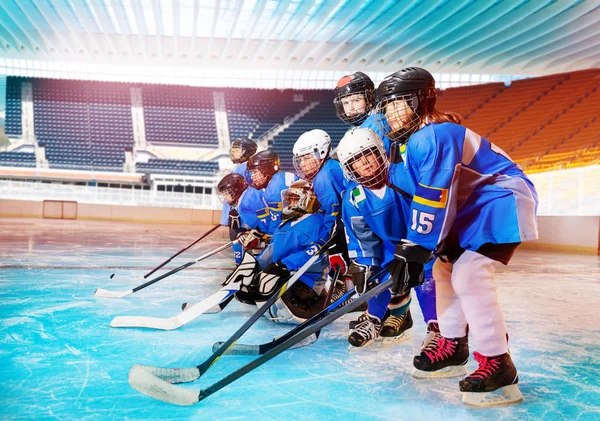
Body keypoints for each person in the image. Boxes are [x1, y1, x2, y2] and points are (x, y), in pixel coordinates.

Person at [375, 67, 538, 407]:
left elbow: (434, 196)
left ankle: (498, 361)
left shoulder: (432, 136)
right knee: (444, 270)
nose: (391, 112)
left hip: (501, 198)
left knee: (469, 273)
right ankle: (452, 345)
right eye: (386, 106)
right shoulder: (415, 145)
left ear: (422, 100)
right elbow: (428, 194)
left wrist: (417, 246)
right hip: (478, 203)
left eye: (398, 102)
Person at [336, 128, 438, 350]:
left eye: (368, 154)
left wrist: (422, 244)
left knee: (427, 273)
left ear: (380, 152)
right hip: (391, 246)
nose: (365, 163)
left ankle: (437, 326)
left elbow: (431, 207)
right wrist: (364, 265)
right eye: (356, 160)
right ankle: (374, 318)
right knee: (376, 272)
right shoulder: (354, 197)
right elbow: (363, 238)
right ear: (349, 168)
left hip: (423, 240)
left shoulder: (404, 175)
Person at [230, 180, 331, 324]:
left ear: (307, 200)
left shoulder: (317, 222)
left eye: (294, 199)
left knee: (268, 284)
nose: (289, 204)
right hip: (285, 275)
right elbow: (273, 249)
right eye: (289, 200)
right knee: (251, 284)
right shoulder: (287, 222)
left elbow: (316, 253)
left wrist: (284, 265)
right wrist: (253, 266)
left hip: (306, 282)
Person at [217, 173, 269, 266]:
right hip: (263, 231)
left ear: (235, 190)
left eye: (226, 193)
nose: (225, 197)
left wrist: (257, 232)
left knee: (263, 260)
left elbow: (267, 217)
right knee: (257, 256)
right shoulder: (242, 199)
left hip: (270, 233)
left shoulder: (250, 196)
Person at [245, 150, 298, 235]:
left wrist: (269, 240)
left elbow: (277, 223)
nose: (252, 176)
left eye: (255, 172)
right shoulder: (277, 180)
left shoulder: (274, 190)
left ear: (266, 170)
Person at [220, 138, 258, 226]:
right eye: (233, 150)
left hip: (239, 213)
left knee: (237, 237)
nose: (234, 153)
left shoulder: (244, 168)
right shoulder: (244, 166)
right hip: (240, 211)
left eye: (237, 150)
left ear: (247, 152)